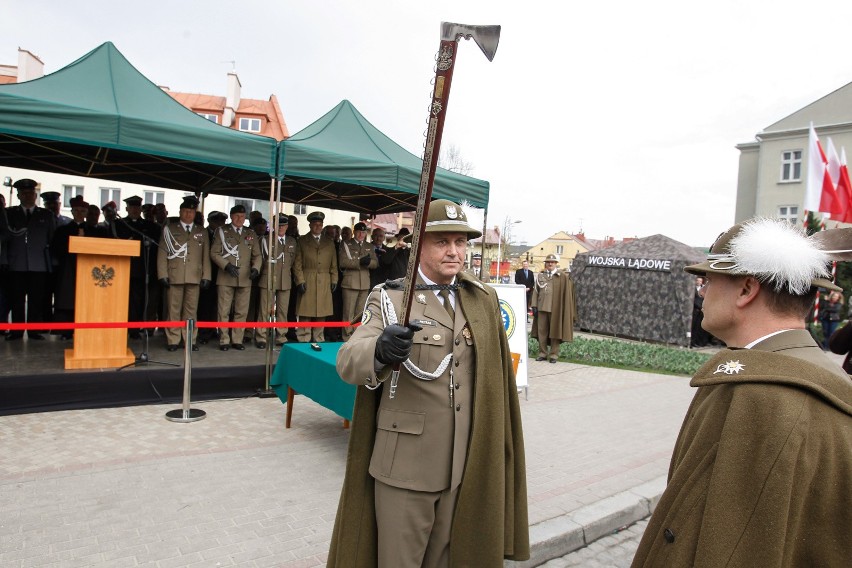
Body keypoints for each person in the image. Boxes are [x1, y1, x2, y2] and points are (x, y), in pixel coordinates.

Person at [632, 218, 852, 567]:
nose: (701, 291)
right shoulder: (814, 378)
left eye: (707, 280)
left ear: (747, 289)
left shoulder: (761, 396)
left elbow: (731, 547)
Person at [329, 198, 529, 568]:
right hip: (405, 468)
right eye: (442, 242)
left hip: (463, 465)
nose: (454, 251)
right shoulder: (390, 299)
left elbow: (493, 380)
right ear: (418, 245)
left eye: (461, 242)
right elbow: (347, 361)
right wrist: (380, 349)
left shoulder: (479, 299)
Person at [0, 178, 56, 340]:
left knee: (36, 299)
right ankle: (17, 331)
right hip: (16, 263)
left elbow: (51, 240)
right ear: (18, 195)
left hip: (38, 264)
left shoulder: (46, 215)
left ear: (35, 195)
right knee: (17, 299)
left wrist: (50, 263)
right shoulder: (9, 214)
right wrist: (4, 261)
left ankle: (33, 330)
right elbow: (4, 239)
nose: (28, 196)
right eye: (24, 193)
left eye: (31, 193)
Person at [156, 197, 211, 351]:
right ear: (180, 212)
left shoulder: (202, 231)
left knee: (191, 310)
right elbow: (162, 253)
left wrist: (206, 276)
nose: (188, 214)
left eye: (192, 212)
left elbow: (205, 255)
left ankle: (189, 339)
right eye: (186, 211)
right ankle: (173, 339)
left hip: (194, 276)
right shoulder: (170, 229)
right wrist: (162, 274)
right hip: (175, 275)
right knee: (173, 309)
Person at [210, 204, 261, 351]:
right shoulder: (222, 231)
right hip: (226, 276)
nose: (240, 219)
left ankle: (237, 339)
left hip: (245, 277)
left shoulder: (250, 233)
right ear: (231, 216)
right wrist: (226, 265)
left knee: (241, 310)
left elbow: (257, 255)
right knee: (224, 310)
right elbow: (214, 253)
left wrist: (255, 268)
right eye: (237, 216)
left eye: (243, 216)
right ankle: (224, 339)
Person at [50, 196, 100, 337]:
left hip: (89, 270)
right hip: (68, 269)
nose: (79, 213)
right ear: (72, 212)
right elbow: (55, 249)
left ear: (86, 213)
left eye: (82, 211)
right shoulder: (62, 230)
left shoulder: (95, 231)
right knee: (67, 299)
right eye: (76, 210)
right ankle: (66, 331)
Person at [293, 211, 338, 343]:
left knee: (321, 311)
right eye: (315, 224)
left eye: (320, 224)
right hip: (308, 277)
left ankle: (319, 337)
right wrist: (300, 280)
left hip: (324, 279)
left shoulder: (329, 242)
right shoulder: (302, 240)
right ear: (310, 225)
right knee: (305, 310)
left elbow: (334, 264)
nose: (318, 227)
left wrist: (334, 279)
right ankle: (303, 337)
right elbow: (297, 264)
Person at [255, 215, 297, 348]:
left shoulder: (291, 241)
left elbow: (293, 261)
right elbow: (260, 258)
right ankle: (261, 336)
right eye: (278, 225)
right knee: (264, 310)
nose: (281, 228)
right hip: (268, 277)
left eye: (283, 225)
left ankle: (281, 335)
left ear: (287, 226)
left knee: (282, 310)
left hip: (285, 279)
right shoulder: (265, 240)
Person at [530, 254, 576, 363]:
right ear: (545, 263)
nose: (550, 264)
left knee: (555, 332)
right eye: (548, 262)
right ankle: (542, 353)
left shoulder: (562, 277)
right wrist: (534, 305)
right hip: (542, 308)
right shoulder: (541, 276)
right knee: (542, 332)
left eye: (552, 262)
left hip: (556, 309)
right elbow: (536, 292)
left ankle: (554, 355)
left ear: (556, 264)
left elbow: (566, 295)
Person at [338, 222, 378, 341]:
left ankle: (356, 336)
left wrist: (369, 263)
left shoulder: (369, 246)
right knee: (348, 313)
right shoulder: (346, 244)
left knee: (360, 313)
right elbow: (343, 262)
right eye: (359, 232)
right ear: (354, 232)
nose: (361, 234)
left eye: (364, 232)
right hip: (350, 282)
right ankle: (347, 336)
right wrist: (359, 262)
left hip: (364, 283)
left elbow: (375, 263)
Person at [197, 211, 227, 344]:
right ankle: (204, 333)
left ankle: (213, 329)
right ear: (210, 221)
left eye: (222, 221)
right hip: (205, 274)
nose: (220, 224)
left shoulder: (225, 234)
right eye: (217, 221)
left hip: (222, 274)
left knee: (217, 305)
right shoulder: (204, 233)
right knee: (205, 306)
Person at [690, 276, 710, 348]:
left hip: (700, 311)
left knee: (698, 328)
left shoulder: (703, 289)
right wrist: (699, 307)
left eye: (700, 281)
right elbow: (693, 300)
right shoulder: (693, 289)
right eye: (698, 281)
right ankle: (691, 342)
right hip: (695, 310)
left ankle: (696, 342)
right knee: (693, 327)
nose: (699, 282)